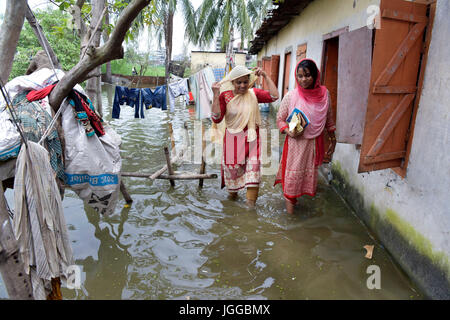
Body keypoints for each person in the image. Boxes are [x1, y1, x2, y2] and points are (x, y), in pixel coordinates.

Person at [274, 59, 336, 214]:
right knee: (291, 181)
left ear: (315, 76)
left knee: (305, 179)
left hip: (314, 143)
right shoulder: (291, 96)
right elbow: (280, 119)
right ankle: (290, 217)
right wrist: (288, 131)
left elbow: (328, 119)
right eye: (300, 76)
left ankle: (294, 209)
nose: (303, 80)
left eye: (307, 75)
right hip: (296, 145)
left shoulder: (324, 94)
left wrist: (333, 141)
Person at [211, 65, 279, 208]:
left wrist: (266, 76)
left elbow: (274, 96)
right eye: (239, 82)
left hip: (253, 140)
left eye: (245, 82)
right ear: (233, 83)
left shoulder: (254, 94)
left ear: (249, 81)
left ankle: (249, 211)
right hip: (232, 142)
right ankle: (232, 201)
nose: (242, 86)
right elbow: (216, 118)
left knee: (253, 176)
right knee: (233, 182)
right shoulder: (225, 96)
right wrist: (216, 95)